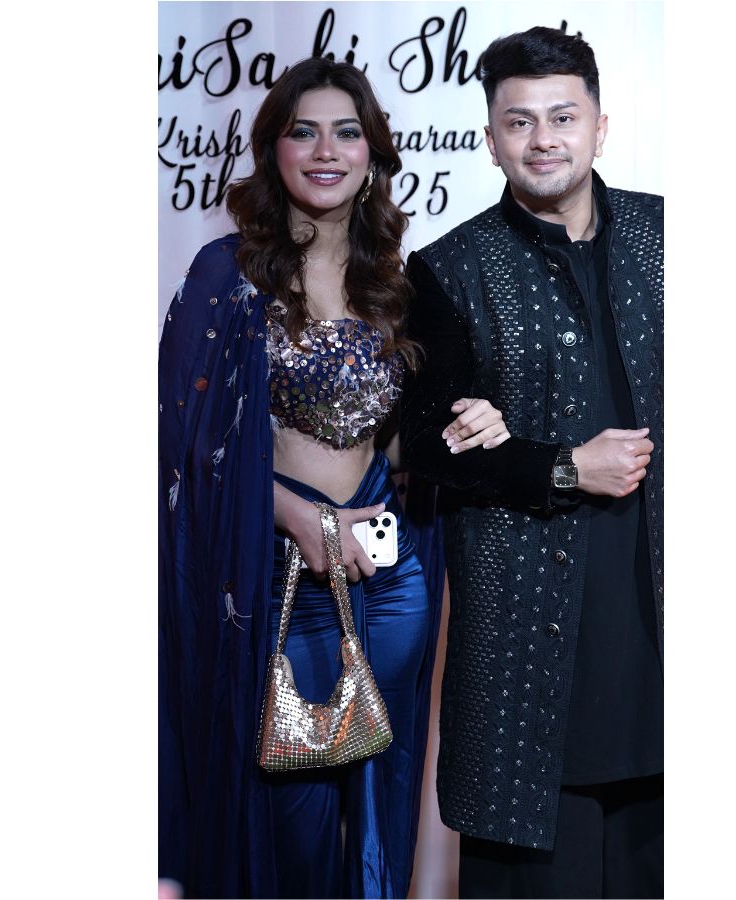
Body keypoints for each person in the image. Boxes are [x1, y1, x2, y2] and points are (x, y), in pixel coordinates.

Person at [158, 57, 509, 899]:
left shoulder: (399, 283)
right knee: (294, 817)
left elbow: (405, 440)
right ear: (273, 151)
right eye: (303, 132)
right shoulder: (227, 277)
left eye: (346, 133)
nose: (326, 151)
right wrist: (299, 518)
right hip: (276, 578)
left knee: (378, 808)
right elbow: (181, 450)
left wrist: (469, 428)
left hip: (390, 579)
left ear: (372, 152)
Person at [400, 26, 665, 899]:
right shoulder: (448, 269)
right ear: (490, 139)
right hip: (527, 654)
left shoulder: (670, 237)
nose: (543, 138)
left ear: (600, 127)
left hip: (658, 635)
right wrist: (562, 467)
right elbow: (427, 443)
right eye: (519, 121)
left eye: (562, 117)